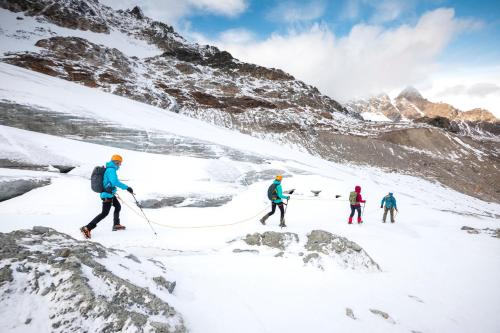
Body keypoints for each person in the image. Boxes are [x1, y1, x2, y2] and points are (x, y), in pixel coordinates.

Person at [81, 155, 133, 239]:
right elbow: (115, 182)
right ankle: (87, 228)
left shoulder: (110, 169)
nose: (120, 164)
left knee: (117, 206)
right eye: (120, 163)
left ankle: (116, 224)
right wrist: (127, 188)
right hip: (107, 195)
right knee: (104, 213)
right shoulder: (111, 170)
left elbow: (110, 182)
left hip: (110, 194)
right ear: (116, 162)